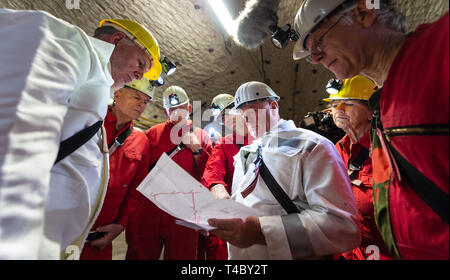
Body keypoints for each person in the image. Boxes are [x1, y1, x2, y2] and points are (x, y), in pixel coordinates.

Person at [292, 0, 448, 259]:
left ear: (363, 11)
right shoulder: (383, 108)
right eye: (309, 52)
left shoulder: (440, 46)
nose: (315, 57)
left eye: (319, 41)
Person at [0, 9, 161, 259]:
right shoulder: (72, 42)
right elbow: (19, 124)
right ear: (117, 40)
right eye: (141, 63)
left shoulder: (96, 84)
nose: (141, 75)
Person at [208, 81, 361, 260]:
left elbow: (342, 227)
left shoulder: (311, 146)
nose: (245, 117)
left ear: (273, 105)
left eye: (251, 109)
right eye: (241, 111)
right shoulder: (246, 154)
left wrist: (262, 231)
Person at [126, 86, 213, 260]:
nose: (176, 112)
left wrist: (197, 149)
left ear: (188, 108)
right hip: (149, 211)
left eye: (180, 108)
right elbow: (137, 174)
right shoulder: (152, 134)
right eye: (171, 109)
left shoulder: (201, 136)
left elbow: (209, 176)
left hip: (184, 213)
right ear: (166, 111)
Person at [80, 78, 154, 260]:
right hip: (62, 230)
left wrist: (121, 225)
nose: (141, 105)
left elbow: (135, 192)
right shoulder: (90, 119)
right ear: (117, 94)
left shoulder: (141, 141)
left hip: (99, 241)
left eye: (145, 101)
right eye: (136, 97)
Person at [326, 75, 393, 260]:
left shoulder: (389, 151)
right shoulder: (336, 150)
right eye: (334, 104)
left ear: (372, 111)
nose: (338, 109)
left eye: (347, 103)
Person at [200, 94, 253, 260]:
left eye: (229, 113)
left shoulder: (265, 137)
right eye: (223, 118)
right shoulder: (225, 144)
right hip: (238, 211)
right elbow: (212, 170)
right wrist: (216, 186)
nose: (227, 120)